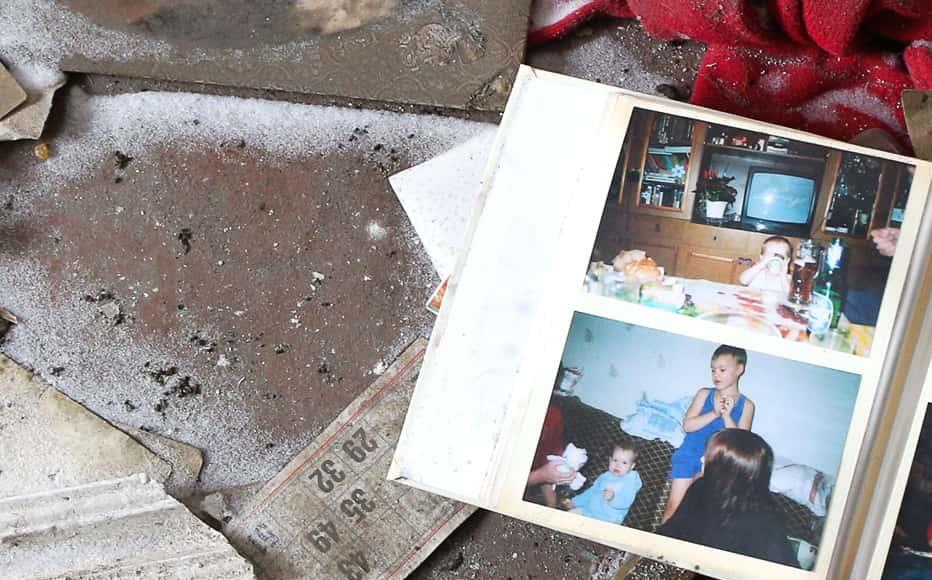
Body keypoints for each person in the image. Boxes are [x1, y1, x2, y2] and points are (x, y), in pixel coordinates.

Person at [658, 429, 799, 567]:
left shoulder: (764, 521)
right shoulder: (700, 487)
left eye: (709, 456)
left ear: (728, 470)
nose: (702, 458)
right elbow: (672, 530)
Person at [662, 345, 755, 523]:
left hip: (718, 466)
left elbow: (742, 445)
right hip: (689, 456)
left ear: (739, 369)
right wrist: (714, 412)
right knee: (673, 511)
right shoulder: (704, 394)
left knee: (695, 517)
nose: (716, 375)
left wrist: (727, 416)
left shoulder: (747, 406)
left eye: (722, 370)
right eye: (713, 370)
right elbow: (687, 426)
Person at [565, 442, 642, 524]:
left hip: (608, 519)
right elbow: (592, 491)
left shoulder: (630, 481)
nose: (618, 465)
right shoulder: (605, 476)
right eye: (615, 460)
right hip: (588, 511)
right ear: (610, 460)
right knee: (566, 517)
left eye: (624, 463)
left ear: (632, 466)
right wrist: (575, 502)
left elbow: (626, 501)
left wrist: (613, 498)